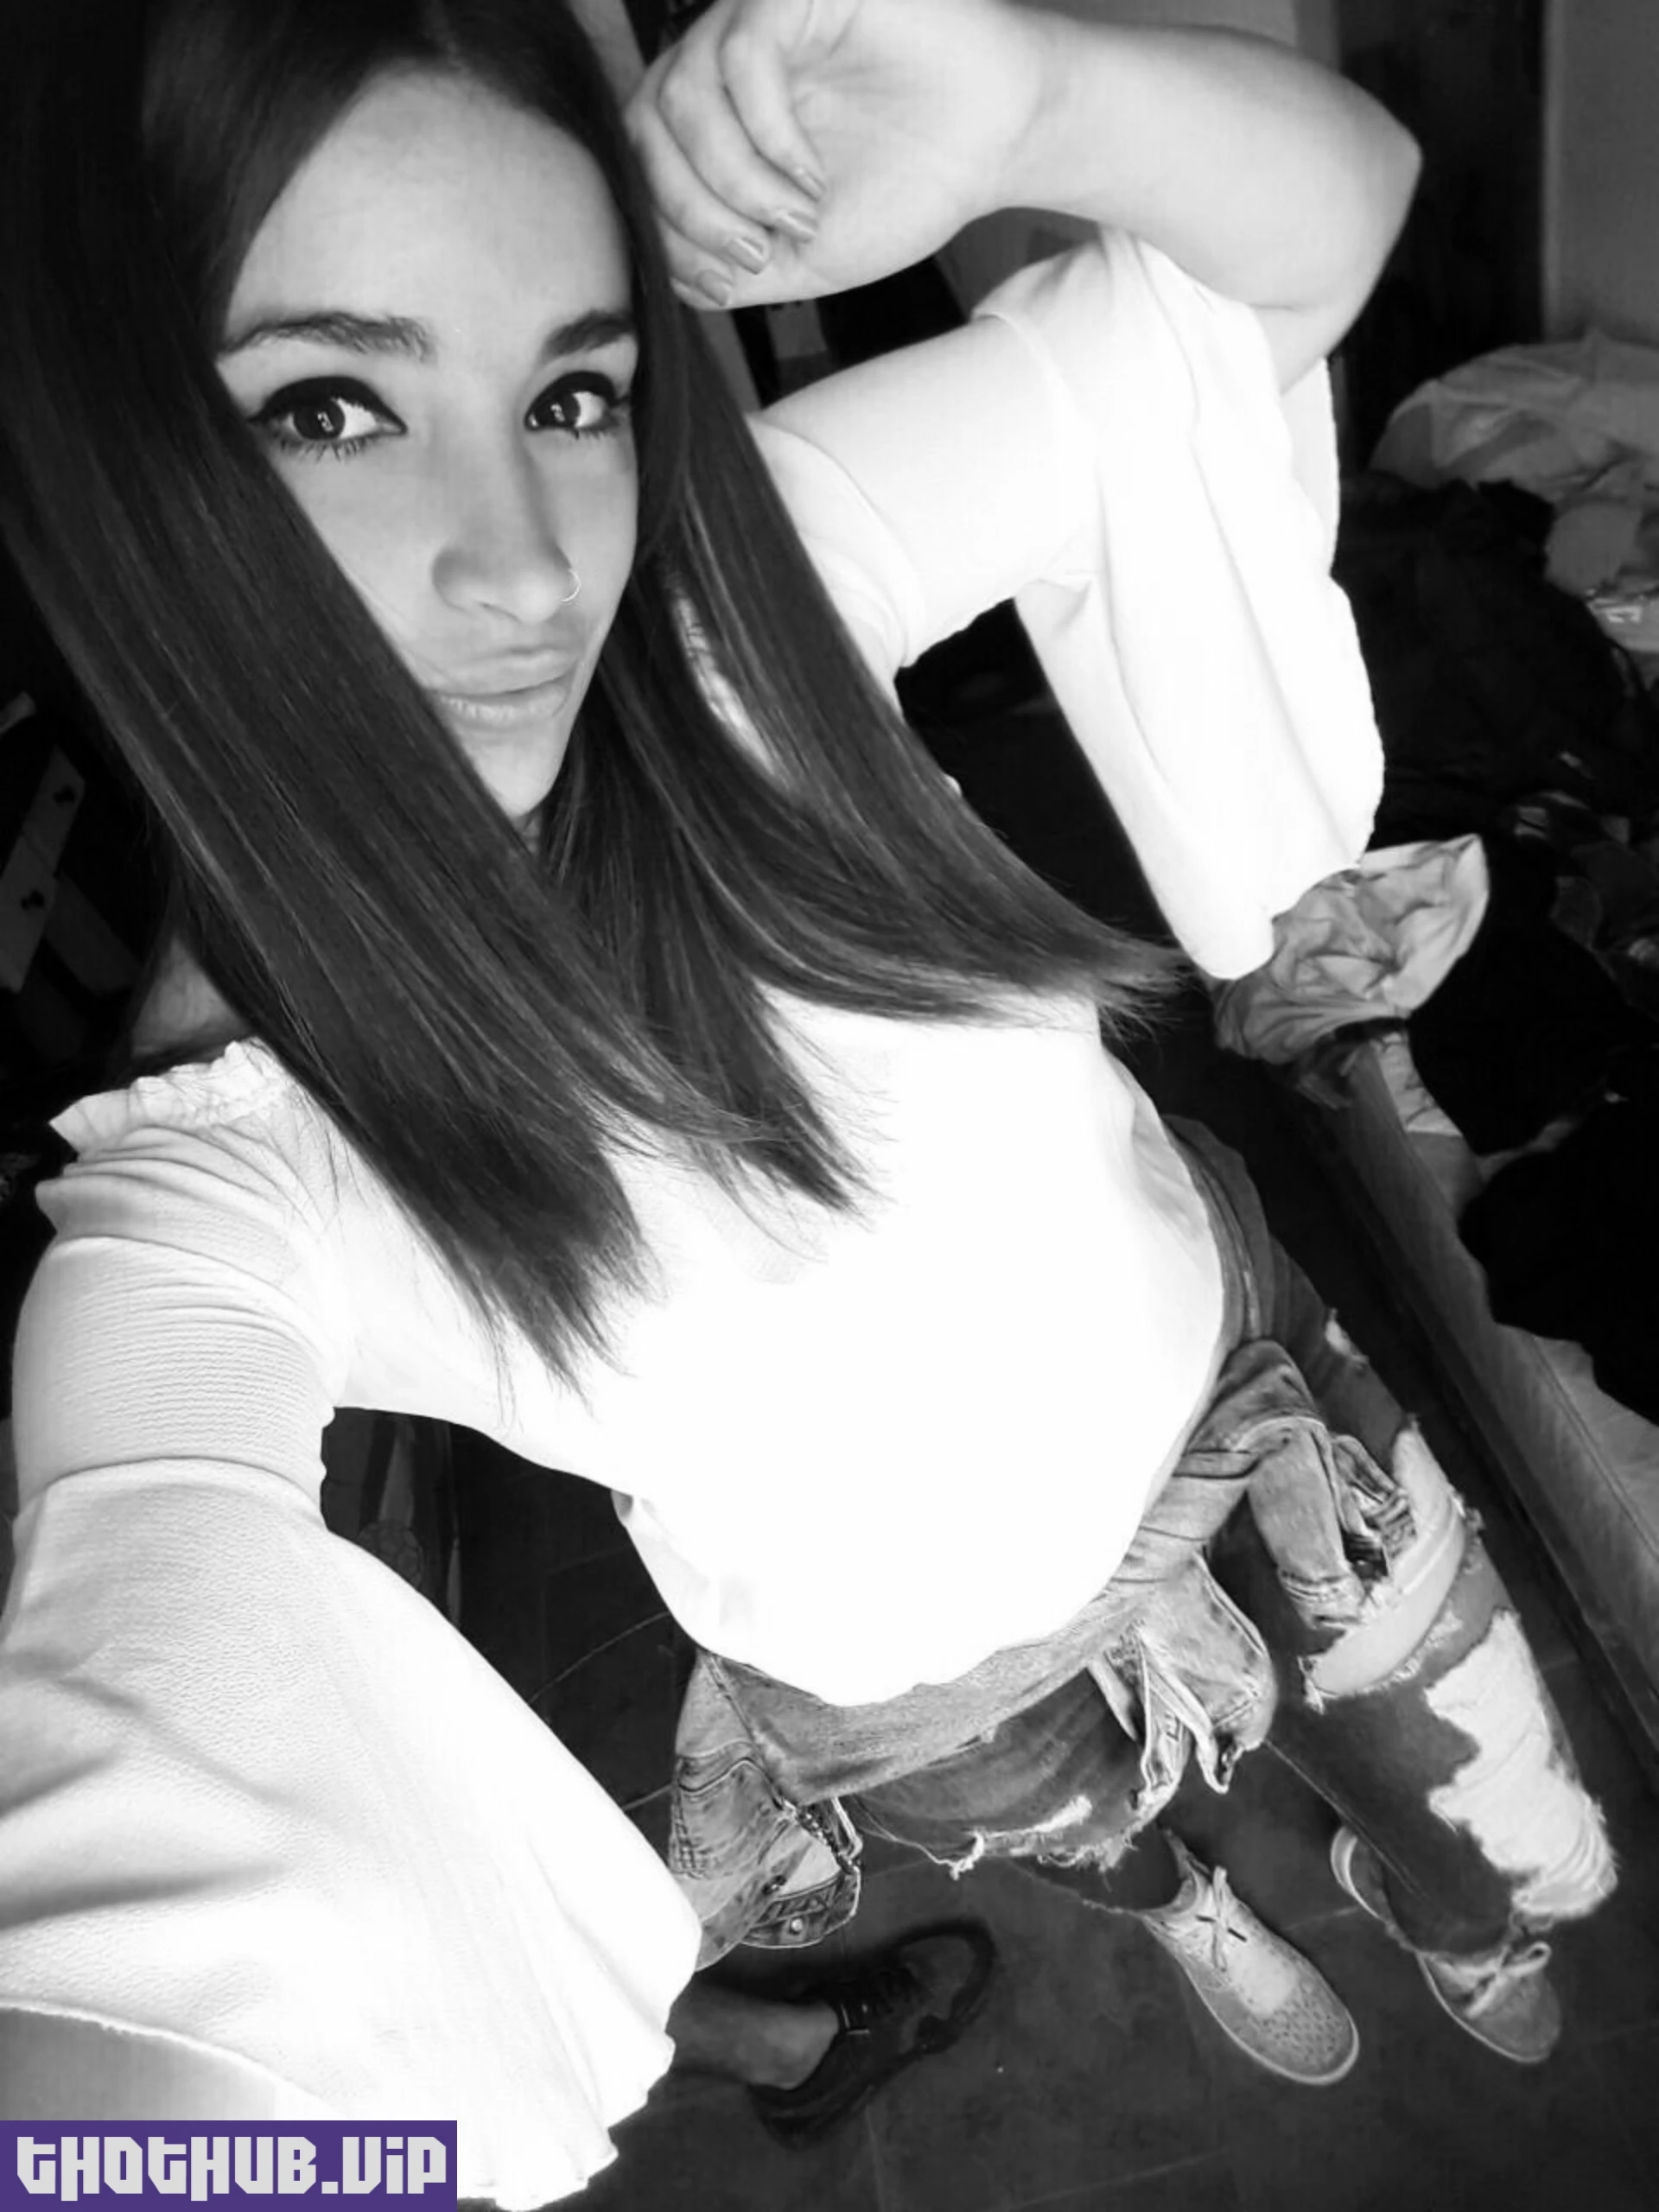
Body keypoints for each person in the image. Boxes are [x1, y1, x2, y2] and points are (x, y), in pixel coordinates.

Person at [0, 0, 1616, 2198]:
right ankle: (1196, 1900)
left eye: (570, 389)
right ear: (116, 475)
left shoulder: (726, 624)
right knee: (1105, 1835)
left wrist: (1026, 104)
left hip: (1249, 1385)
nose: (525, 564)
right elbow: (136, 2019)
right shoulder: (230, 1163)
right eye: (330, 405)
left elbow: (1302, 244)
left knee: (1483, 1796)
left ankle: (1458, 1907)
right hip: (920, 1678)